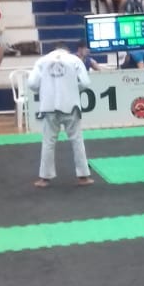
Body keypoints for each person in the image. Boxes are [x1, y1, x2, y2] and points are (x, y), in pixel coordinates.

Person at [26, 47, 94, 188]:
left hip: (49, 106)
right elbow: (85, 83)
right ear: (66, 50)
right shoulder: (74, 60)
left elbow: (32, 84)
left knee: (48, 142)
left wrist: (45, 89)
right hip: (70, 105)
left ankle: (45, 178)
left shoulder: (42, 61)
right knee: (77, 140)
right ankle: (83, 177)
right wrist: (72, 89)